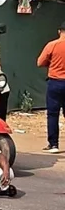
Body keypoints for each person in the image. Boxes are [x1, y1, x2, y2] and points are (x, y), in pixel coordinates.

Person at [39, 22, 65, 153]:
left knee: (53, 114)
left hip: (55, 82)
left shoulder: (52, 45)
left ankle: (53, 145)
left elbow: (40, 62)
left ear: (59, 31)